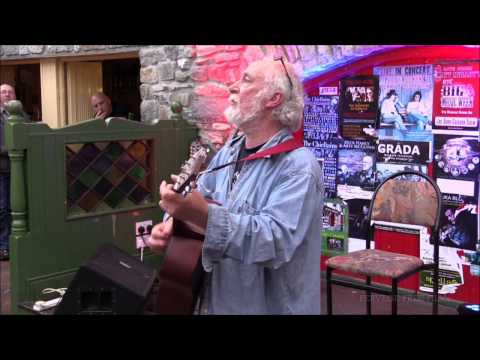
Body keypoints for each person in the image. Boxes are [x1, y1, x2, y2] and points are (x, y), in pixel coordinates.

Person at [149, 58, 324, 314]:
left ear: (273, 99)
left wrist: (202, 215)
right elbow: (202, 198)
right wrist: (171, 224)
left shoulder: (299, 167)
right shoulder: (229, 152)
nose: (232, 86)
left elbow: (274, 242)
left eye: (246, 80)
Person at [0, 84, 30, 261]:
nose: (6, 94)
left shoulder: (23, 115)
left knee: (18, 208)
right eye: (3, 92)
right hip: (2, 169)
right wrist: (12, 149)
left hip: (20, 169)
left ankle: (18, 245)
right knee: (3, 208)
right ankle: (4, 245)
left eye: (10, 91)